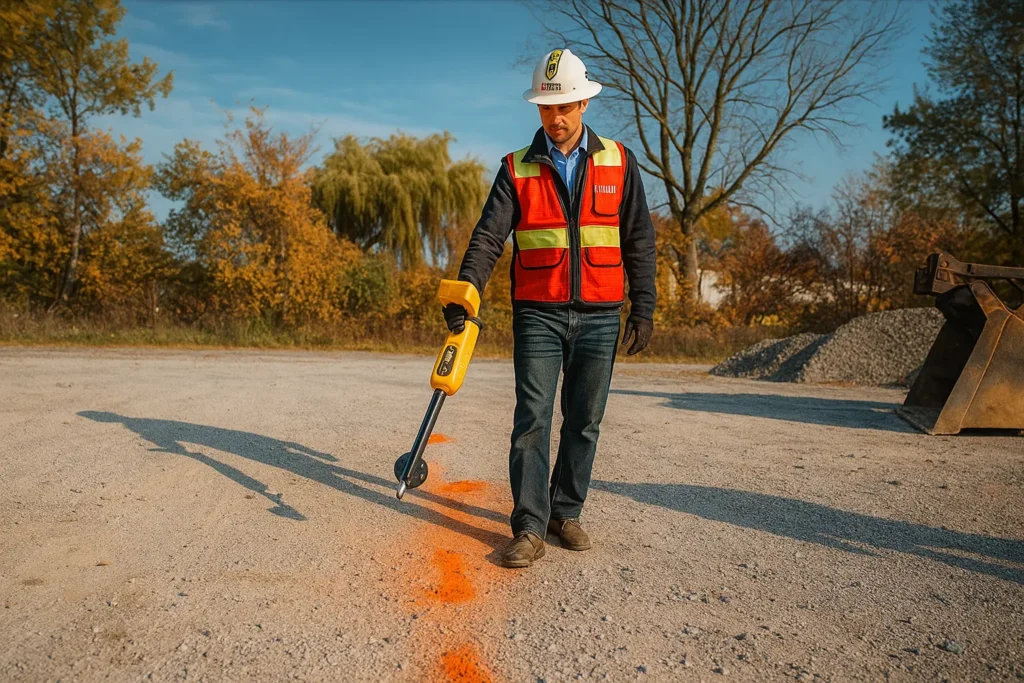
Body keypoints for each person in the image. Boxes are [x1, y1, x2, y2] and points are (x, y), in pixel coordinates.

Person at [446, 48, 657, 568]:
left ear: (584, 102)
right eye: (545, 108)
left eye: (563, 107)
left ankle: (566, 513)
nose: (554, 118)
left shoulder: (619, 161)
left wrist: (644, 306)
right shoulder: (514, 168)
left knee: (585, 419)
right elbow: (488, 240)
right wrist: (465, 291)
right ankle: (529, 526)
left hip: (602, 313)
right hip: (537, 313)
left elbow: (639, 238)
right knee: (532, 419)